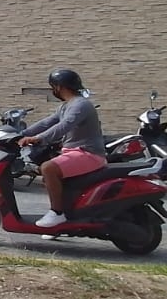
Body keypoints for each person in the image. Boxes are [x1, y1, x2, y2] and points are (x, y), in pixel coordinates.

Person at [18, 69, 107, 228]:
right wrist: (20, 134)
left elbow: (64, 126)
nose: (53, 90)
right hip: (75, 152)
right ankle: (62, 221)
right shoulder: (66, 106)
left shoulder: (81, 104)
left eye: (53, 86)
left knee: (48, 168)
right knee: (47, 170)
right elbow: (47, 122)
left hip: (89, 153)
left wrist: (38, 138)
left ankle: (57, 213)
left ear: (58, 87)